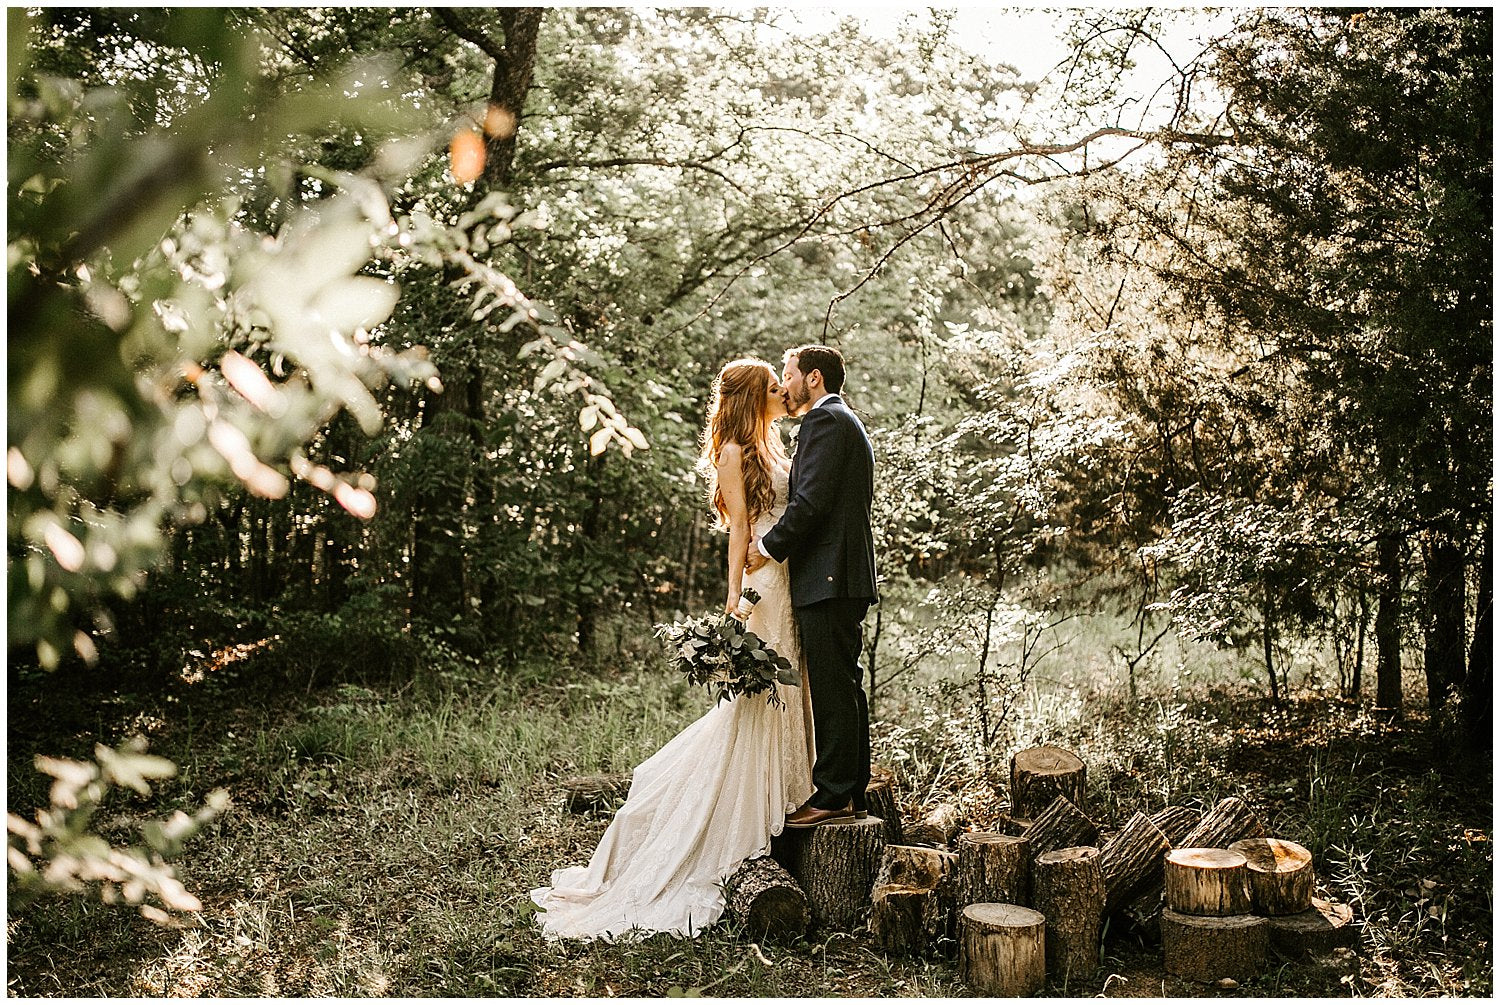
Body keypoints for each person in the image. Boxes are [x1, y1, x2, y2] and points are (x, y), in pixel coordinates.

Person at [531, 358, 814, 940]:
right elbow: (740, 529)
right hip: (765, 579)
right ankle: (753, 809)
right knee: (765, 693)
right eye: (770, 387)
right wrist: (735, 602)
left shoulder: (775, 440)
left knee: (795, 680)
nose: (781, 391)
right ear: (747, 398)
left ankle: (796, 789)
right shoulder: (736, 451)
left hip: (790, 573)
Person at [745, 344, 877, 828]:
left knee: (832, 686)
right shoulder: (842, 421)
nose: (785, 383)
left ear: (814, 378)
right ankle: (851, 789)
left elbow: (811, 502)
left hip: (830, 575)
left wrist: (768, 547)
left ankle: (833, 796)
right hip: (840, 574)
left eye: (789, 373)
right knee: (844, 684)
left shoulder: (826, 422)